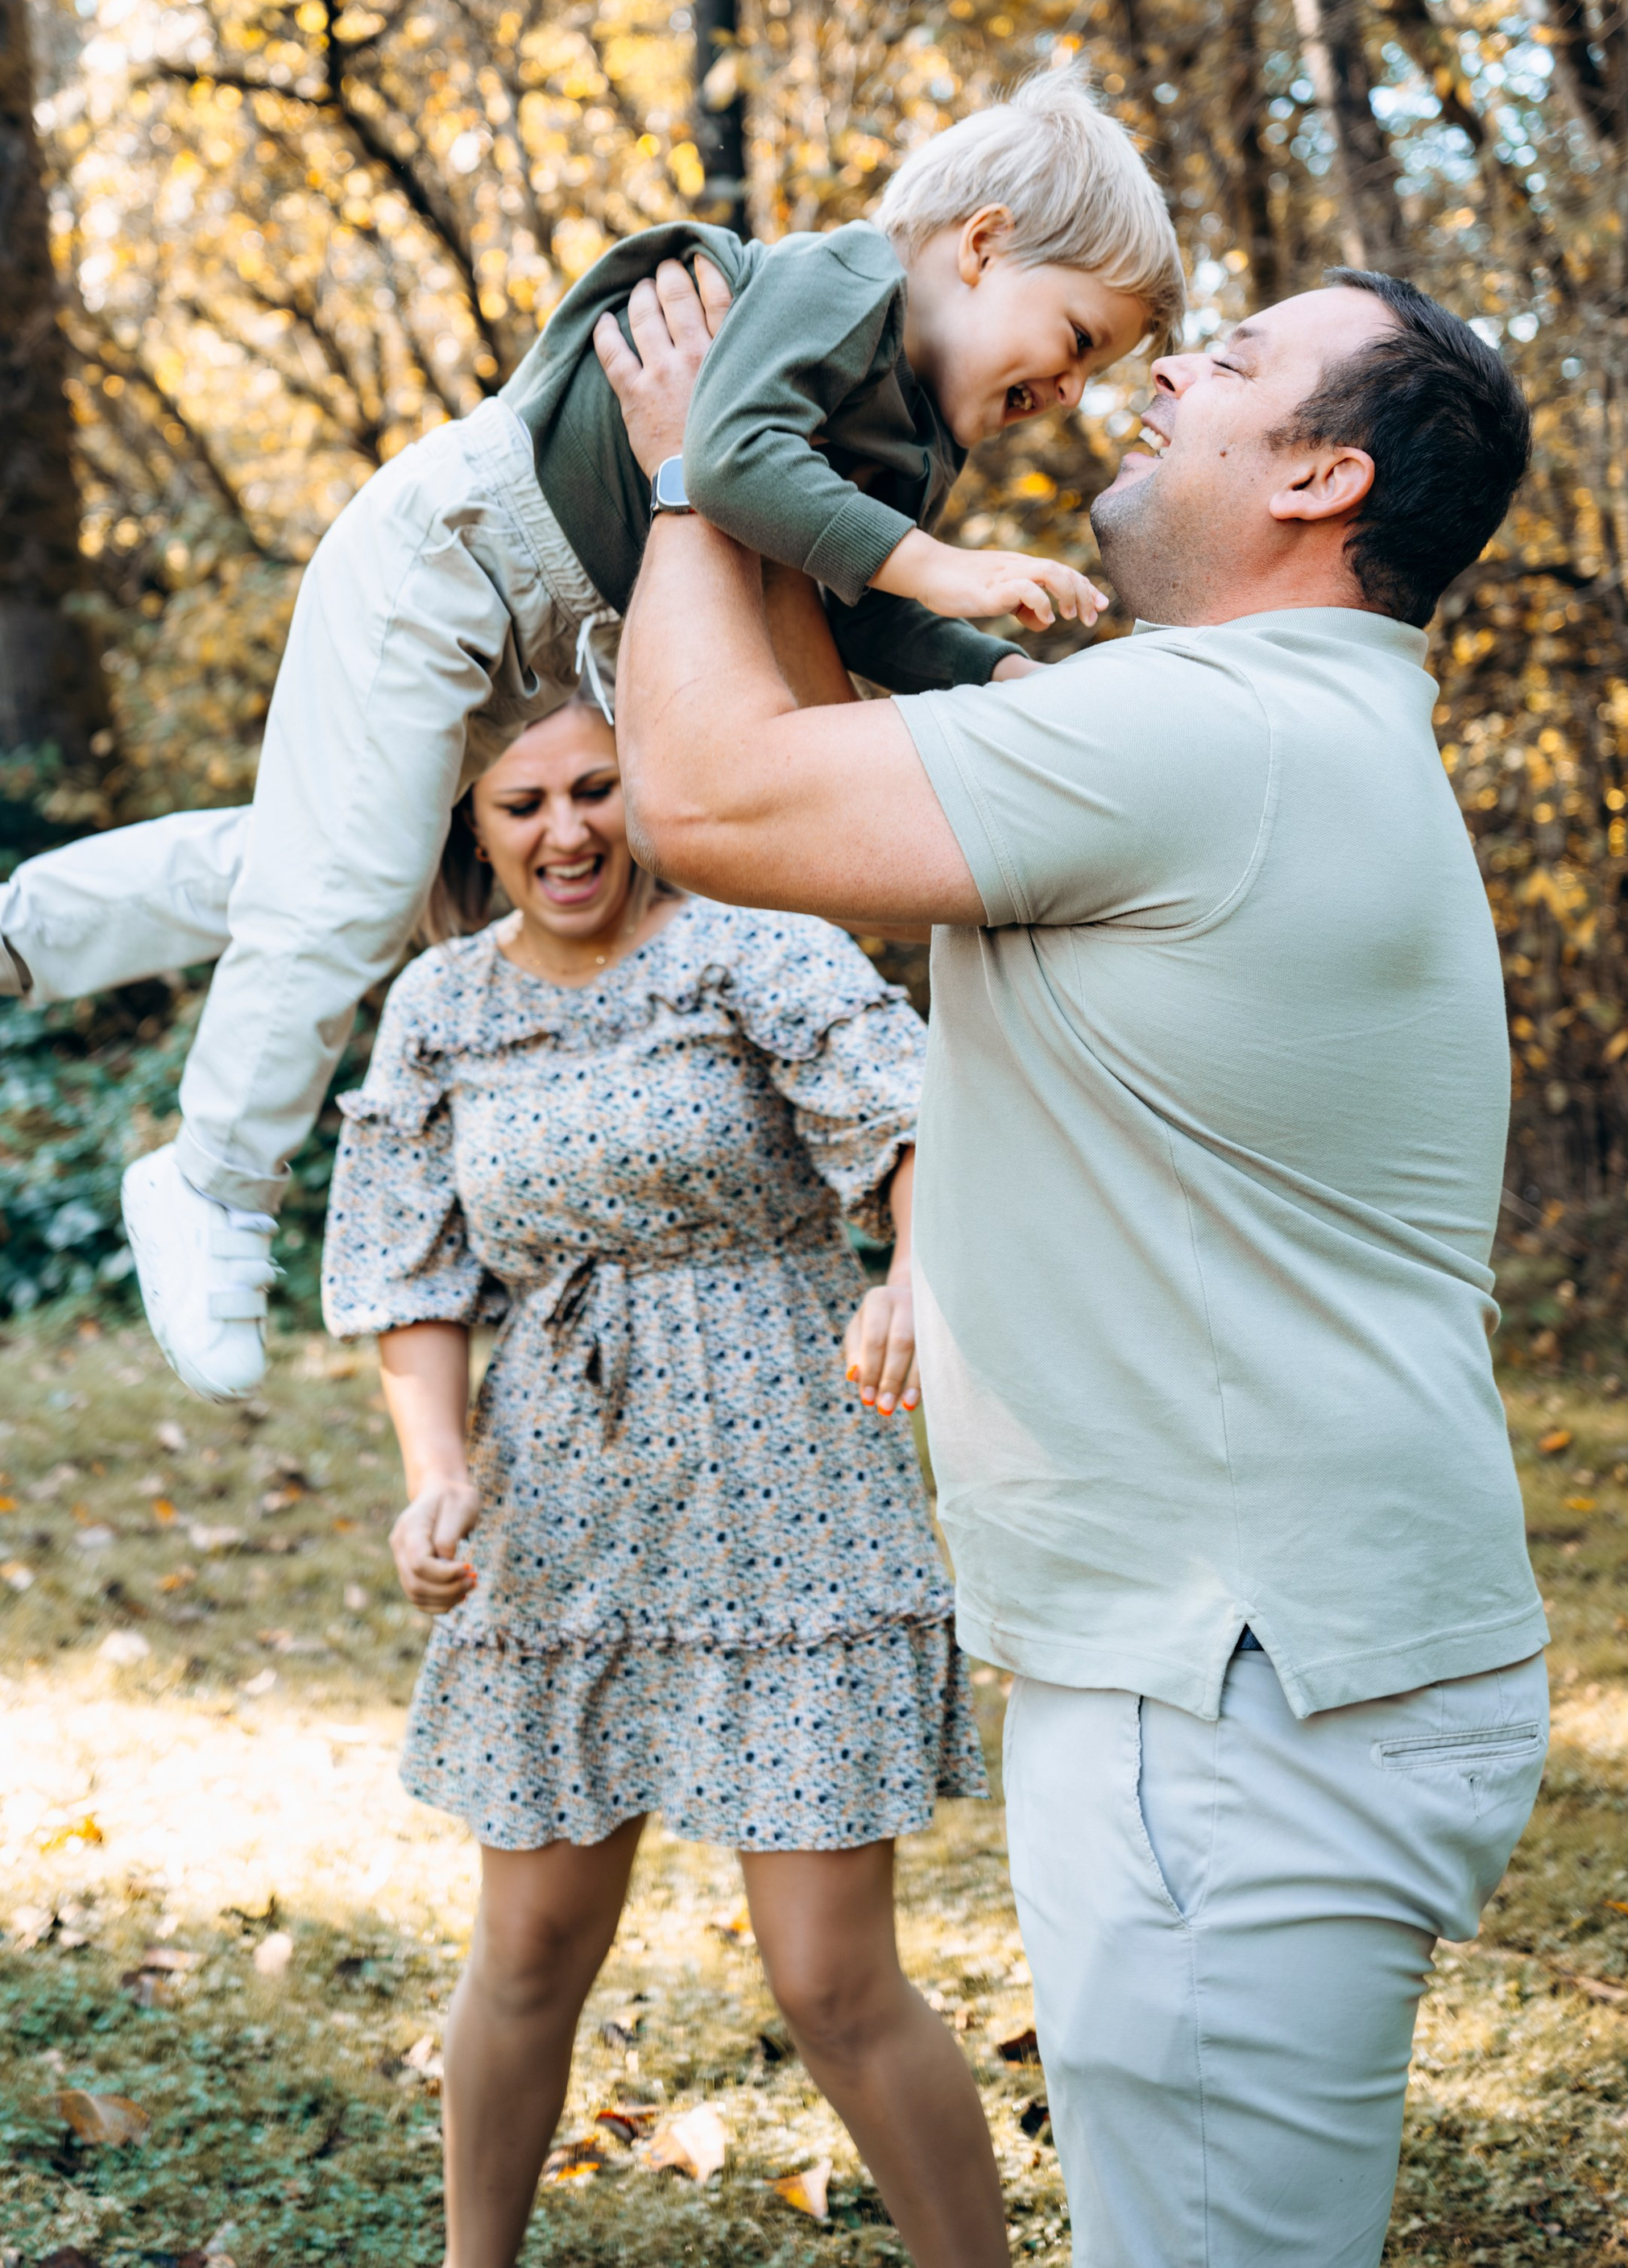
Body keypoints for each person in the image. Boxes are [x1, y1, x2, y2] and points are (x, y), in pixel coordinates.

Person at [595, 260, 1547, 2268]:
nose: (1173, 368)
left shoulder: (1203, 738)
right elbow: (816, 748)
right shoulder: (1247, 730)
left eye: (1234, 361)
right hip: (1250, 1654)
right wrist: (784, 482)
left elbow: (704, 792)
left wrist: (694, 476)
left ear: (1318, 473)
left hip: (1243, 1688)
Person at [0, 70, 1183, 1405]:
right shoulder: (843, 284)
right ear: (986, 248)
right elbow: (730, 459)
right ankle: (213, 1178)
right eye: (1075, 341)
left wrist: (997, 671)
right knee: (341, 890)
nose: (1069, 392)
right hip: (456, 553)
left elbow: (844, 606)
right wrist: (936, 565)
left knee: (316, 863)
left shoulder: (907, 446)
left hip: (520, 632)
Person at [324, 683, 1008, 2268]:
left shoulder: (753, 946)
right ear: (472, 828)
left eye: (595, 789)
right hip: (560, 1505)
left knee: (831, 1985)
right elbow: (407, 1272)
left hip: (788, 1481)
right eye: (522, 805)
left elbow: (908, 1121)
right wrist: (434, 1479)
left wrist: (909, 1268)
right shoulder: (438, 1007)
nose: (566, 831)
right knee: (526, 1954)